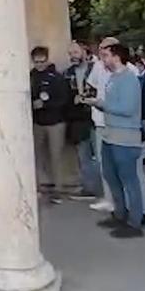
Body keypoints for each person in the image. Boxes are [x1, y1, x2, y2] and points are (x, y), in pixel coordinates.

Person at [90, 43, 145, 238]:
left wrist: (102, 104)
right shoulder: (113, 78)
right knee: (111, 176)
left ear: (117, 56)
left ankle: (135, 222)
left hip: (126, 137)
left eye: (106, 56)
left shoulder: (130, 79)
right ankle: (120, 214)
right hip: (111, 135)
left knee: (129, 180)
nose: (103, 60)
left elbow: (128, 108)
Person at [30, 46, 71, 204]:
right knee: (37, 156)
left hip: (56, 122)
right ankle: (39, 186)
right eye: (36, 62)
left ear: (47, 60)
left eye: (42, 61)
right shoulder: (30, 77)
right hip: (37, 122)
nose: (39, 64)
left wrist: (45, 104)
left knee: (56, 156)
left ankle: (59, 189)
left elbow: (63, 99)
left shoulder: (56, 77)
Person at [64, 41, 101, 200]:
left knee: (100, 155)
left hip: (97, 116)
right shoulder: (67, 73)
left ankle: (106, 189)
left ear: (84, 52)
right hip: (78, 119)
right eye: (70, 54)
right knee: (83, 155)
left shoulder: (96, 69)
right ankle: (88, 188)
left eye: (76, 53)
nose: (73, 57)